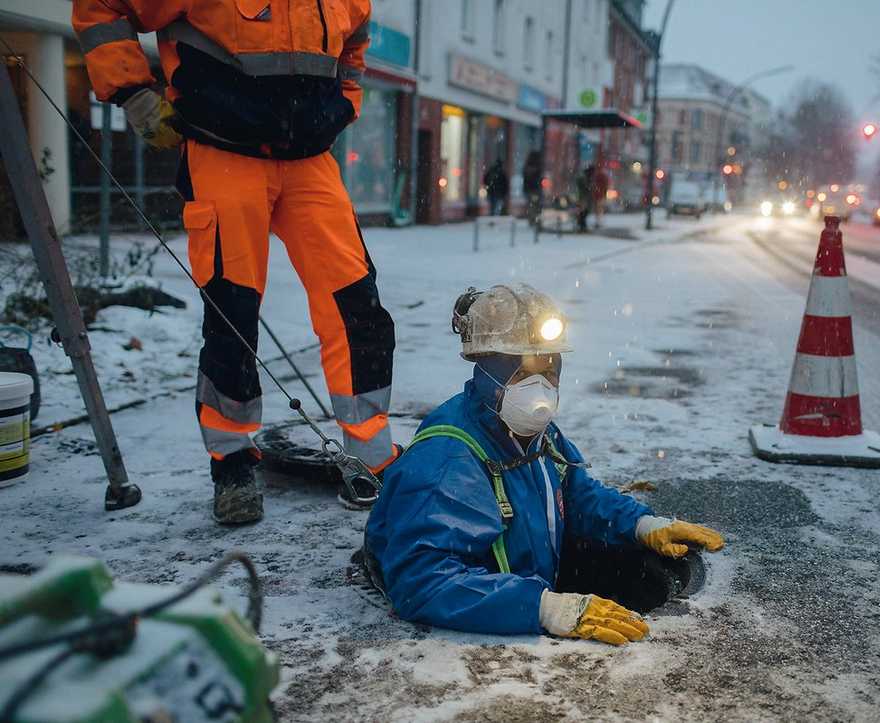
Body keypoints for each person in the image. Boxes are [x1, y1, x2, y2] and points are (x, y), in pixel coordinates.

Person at [72, 0, 398, 524]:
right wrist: (133, 91)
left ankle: (374, 454)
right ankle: (232, 464)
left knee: (355, 302)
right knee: (233, 313)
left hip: (309, 159)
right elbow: (102, 7)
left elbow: (354, 44)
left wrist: (344, 103)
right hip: (223, 150)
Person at [364, 284, 724, 645]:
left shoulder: (535, 432)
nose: (540, 386)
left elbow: (576, 494)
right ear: (488, 371)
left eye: (549, 368)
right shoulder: (447, 458)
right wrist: (541, 608)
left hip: (528, 582)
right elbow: (421, 582)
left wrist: (642, 525)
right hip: (485, 613)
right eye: (521, 373)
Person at [522, 151, 543, 227]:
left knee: (532, 206)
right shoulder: (538, 167)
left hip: (529, 190)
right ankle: (536, 220)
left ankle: (532, 220)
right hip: (535, 190)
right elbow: (538, 180)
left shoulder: (527, 167)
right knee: (537, 206)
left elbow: (525, 179)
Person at [590, 164, 609, 229]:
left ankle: (598, 222)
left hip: (598, 196)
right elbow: (605, 187)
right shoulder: (602, 177)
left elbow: (594, 186)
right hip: (601, 196)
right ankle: (599, 222)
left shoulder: (597, 177)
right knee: (600, 209)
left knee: (598, 210)